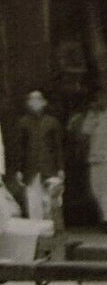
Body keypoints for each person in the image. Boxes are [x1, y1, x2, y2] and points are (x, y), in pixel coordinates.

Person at [71, 92, 107, 231]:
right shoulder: (92, 115)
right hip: (94, 158)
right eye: (99, 98)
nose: (101, 101)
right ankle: (103, 216)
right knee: (96, 190)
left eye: (104, 99)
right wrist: (92, 116)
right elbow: (85, 132)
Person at [15, 91, 64, 224]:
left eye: (38, 99)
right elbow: (21, 148)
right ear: (28, 103)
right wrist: (19, 169)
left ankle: (52, 236)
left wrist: (60, 168)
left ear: (44, 102)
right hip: (30, 169)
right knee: (33, 204)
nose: (35, 102)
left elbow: (58, 147)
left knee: (51, 203)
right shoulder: (23, 123)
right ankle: (37, 237)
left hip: (50, 168)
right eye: (32, 99)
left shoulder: (52, 122)